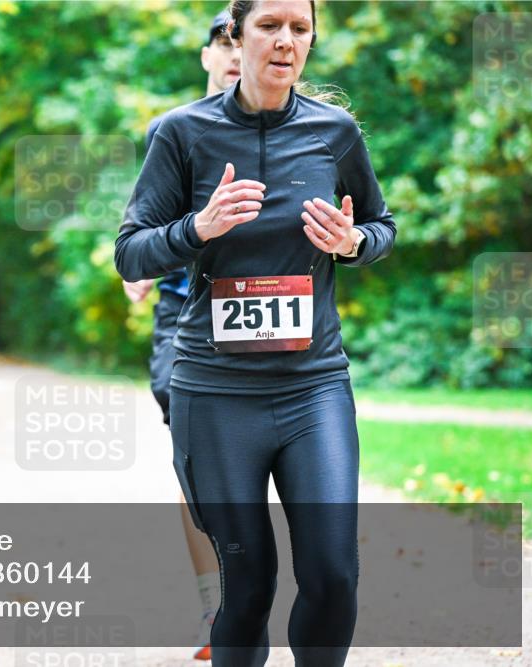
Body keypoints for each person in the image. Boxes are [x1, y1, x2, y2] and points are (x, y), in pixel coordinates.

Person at [114, 1, 396, 665]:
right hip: (216, 393)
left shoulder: (336, 131)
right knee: (247, 585)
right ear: (235, 38)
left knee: (332, 573)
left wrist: (354, 241)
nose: (285, 41)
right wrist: (197, 229)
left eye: (300, 28)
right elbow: (131, 253)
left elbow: (383, 226)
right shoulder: (182, 134)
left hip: (313, 386)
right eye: (269, 25)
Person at [121, 9, 239, 662]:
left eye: (237, 43)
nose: (230, 55)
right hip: (183, 313)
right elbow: (143, 215)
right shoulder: (172, 131)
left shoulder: (287, 127)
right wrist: (138, 270)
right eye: (220, 44)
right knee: (194, 456)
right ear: (205, 57)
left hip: (263, 313)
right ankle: (215, 604)